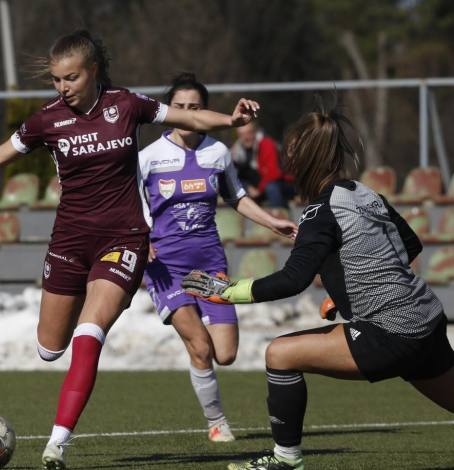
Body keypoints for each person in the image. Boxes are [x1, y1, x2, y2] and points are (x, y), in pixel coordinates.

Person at [0, 29, 259, 470]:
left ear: (93, 71)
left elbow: (188, 118)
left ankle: (57, 443)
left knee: (90, 334)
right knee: (50, 348)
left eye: (71, 78)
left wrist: (232, 121)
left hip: (123, 239)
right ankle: (71, 340)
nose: (62, 87)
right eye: (56, 79)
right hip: (69, 242)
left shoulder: (127, 104)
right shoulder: (46, 119)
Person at [183, 103, 453, 470]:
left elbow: (293, 279)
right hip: (427, 318)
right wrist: (344, 291)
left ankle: (286, 459)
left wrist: (228, 292)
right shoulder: (364, 192)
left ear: (306, 158)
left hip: (392, 331)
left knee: (280, 354)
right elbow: (410, 245)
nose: (287, 160)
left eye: (291, 153)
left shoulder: (319, 211)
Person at [139, 72, 297, 443]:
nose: (186, 113)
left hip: (209, 265)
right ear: (168, 110)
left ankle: (202, 363)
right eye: (179, 106)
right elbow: (130, 204)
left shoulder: (218, 152)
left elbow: (236, 197)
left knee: (225, 354)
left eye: (194, 107)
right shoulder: (148, 158)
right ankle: (217, 422)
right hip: (165, 267)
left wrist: (272, 221)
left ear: (205, 111)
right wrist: (139, 237)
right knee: (200, 346)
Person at [230, 122, 295, 209]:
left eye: (249, 133)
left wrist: (259, 190)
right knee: (234, 189)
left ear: (256, 132)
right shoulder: (237, 150)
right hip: (257, 185)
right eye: (241, 134)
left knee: (271, 187)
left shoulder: (267, 143)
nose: (245, 137)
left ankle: (279, 215)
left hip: (281, 183)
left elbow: (274, 173)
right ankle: (232, 217)